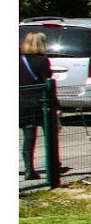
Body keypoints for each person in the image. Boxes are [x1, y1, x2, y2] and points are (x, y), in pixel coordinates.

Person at [20, 31, 53, 177]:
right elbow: (47, 82)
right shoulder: (42, 61)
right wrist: (55, 105)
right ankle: (49, 167)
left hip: (19, 101)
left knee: (28, 134)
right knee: (45, 133)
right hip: (37, 102)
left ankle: (29, 169)